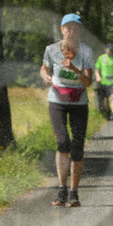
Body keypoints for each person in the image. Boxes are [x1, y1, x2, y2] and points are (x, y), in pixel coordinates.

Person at [40, 13, 94, 207]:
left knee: (77, 147)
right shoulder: (51, 49)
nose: (71, 31)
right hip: (57, 100)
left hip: (79, 101)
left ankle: (74, 192)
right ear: (62, 29)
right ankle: (61, 189)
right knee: (63, 142)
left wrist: (75, 70)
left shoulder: (86, 52)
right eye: (68, 27)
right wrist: (45, 75)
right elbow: (44, 67)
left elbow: (88, 82)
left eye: (75, 28)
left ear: (79, 30)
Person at [94, 44, 113, 120]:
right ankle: (108, 112)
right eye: (108, 50)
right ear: (105, 50)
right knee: (106, 99)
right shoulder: (101, 58)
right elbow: (96, 68)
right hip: (104, 82)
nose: (110, 51)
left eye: (111, 50)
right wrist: (98, 76)